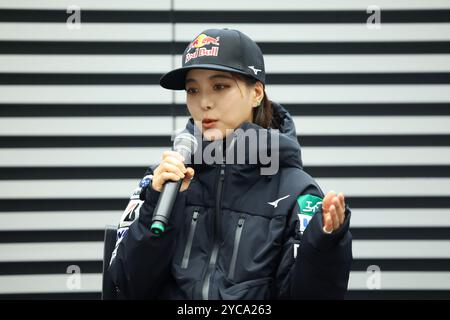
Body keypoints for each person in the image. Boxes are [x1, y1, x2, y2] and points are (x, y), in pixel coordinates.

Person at [108, 28, 352, 300]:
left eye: (220, 86)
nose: (204, 102)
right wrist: (156, 204)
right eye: (193, 89)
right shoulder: (162, 181)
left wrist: (324, 246)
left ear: (256, 93)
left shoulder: (297, 192)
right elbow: (126, 286)